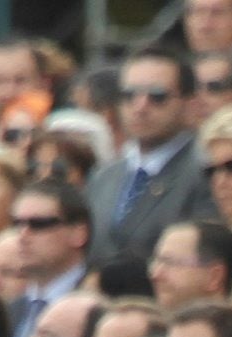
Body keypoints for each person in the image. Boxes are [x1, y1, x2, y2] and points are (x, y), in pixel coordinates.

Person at [90, 48, 223, 264]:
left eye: (157, 96)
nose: (140, 107)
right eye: (129, 95)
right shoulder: (103, 177)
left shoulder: (205, 171)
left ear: (191, 103)